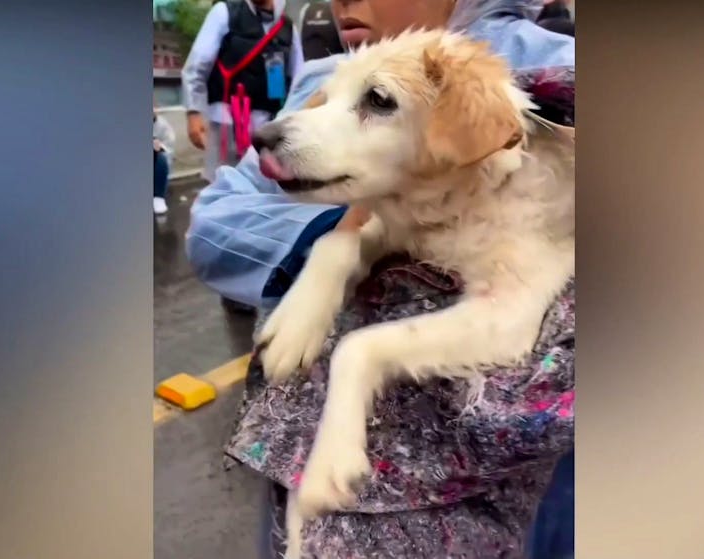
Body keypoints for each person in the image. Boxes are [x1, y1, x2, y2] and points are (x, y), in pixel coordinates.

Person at [187, 0, 575, 556]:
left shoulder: (550, 67)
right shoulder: (332, 74)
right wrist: (339, 244)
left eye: (374, 102)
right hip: (309, 480)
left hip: (498, 498)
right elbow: (216, 222)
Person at [181, 0, 305, 183]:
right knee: (223, 186)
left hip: (270, 124)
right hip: (227, 123)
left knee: (267, 188)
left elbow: (299, 80)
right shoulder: (224, 13)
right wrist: (193, 112)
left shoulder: (288, 28)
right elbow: (196, 67)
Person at [153, 109, 176, 215]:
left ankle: (158, 197)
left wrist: (160, 147)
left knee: (161, 158)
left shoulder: (162, 125)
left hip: (155, 162)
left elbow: (169, 146)